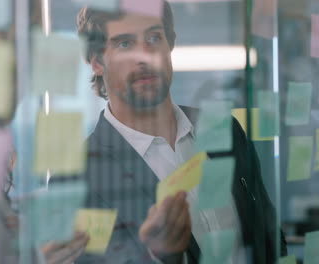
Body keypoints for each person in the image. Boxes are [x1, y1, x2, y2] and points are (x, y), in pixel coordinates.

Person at [44, 1, 287, 263]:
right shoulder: (77, 178)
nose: (144, 57)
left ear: (169, 44)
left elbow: (269, 239)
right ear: (97, 63)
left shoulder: (223, 129)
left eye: (153, 38)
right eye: (124, 44)